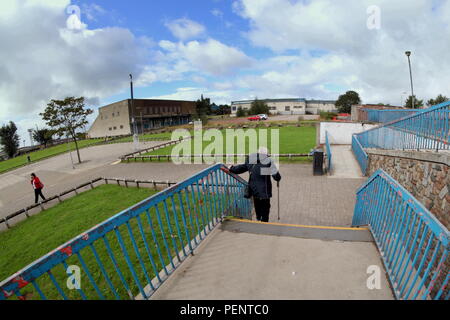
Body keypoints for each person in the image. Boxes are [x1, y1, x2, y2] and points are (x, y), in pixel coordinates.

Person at [229, 147, 281, 222]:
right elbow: (276, 176)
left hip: (254, 189)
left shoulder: (250, 160)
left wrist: (231, 168)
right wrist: (278, 178)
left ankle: (258, 218)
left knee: (257, 205)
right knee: (265, 208)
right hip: (265, 191)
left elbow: (241, 168)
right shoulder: (268, 161)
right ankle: (264, 223)